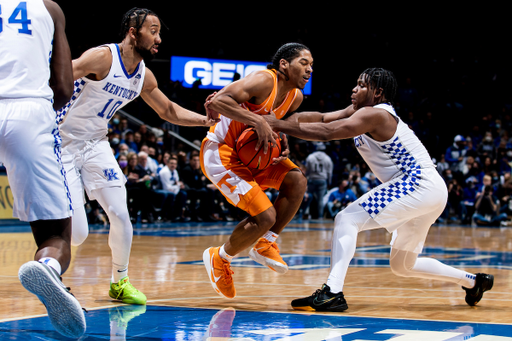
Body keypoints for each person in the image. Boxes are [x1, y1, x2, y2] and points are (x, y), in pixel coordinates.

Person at [264, 68, 493, 311]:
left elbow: (328, 132)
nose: (354, 89)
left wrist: (278, 125)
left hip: (417, 183)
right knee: (403, 265)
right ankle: (474, 281)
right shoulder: (360, 112)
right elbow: (321, 119)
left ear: (378, 92)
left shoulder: (377, 115)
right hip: (429, 189)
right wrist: (279, 121)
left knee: (346, 219)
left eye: (362, 85)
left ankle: (332, 292)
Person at [56, 7, 216, 305]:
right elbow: (62, 74)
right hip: (62, 143)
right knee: (77, 234)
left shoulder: (143, 75)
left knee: (120, 215)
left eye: (159, 33)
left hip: (96, 144)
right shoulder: (103, 57)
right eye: (153, 31)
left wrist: (208, 122)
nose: (158, 39)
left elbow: (168, 111)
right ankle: (51, 273)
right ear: (133, 32)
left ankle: (119, 282)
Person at [0, 0, 86, 337]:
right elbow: (64, 88)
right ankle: (49, 267)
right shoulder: (48, 9)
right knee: (54, 233)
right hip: (28, 111)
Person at [201, 42, 310, 299]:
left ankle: (265, 242)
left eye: (312, 65)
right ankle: (220, 257)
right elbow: (218, 100)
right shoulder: (264, 80)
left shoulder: (296, 97)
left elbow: (275, 122)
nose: (309, 70)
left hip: (255, 154)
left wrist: (281, 136)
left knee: (297, 181)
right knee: (265, 216)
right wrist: (257, 120)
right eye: (304, 63)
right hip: (223, 153)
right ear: (284, 64)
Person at [305, 142, 333, 218]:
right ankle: (320, 216)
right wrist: (329, 182)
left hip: (312, 179)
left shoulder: (310, 157)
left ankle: (307, 214)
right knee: (320, 199)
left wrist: (306, 178)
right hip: (322, 180)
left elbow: (307, 170)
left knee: (309, 197)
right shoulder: (328, 158)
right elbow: (330, 172)